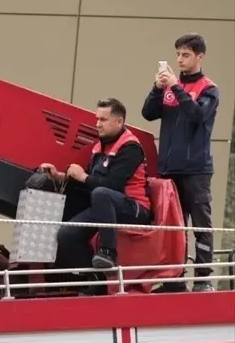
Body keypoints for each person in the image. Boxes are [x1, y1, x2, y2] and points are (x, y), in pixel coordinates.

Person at [141, 33, 220, 292]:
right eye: (177, 55)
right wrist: (157, 87)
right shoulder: (168, 88)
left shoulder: (208, 88)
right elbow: (148, 113)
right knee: (175, 229)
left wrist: (175, 87)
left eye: (185, 55)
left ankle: (203, 279)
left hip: (196, 170)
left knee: (201, 226)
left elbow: (198, 115)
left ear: (199, 56)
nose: (180, 59)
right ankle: (174, 280)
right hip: (169, 169)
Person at [40, 98, 151, 272]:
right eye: (97, 119)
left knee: (100, 193)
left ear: (119, 121)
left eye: (103, 120)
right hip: (105, 205)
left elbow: (113, 185)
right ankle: (95, 280)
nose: (97, 124)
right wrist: (59, 176)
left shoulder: (131, 148)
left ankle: (108, 253)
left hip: (134, 208)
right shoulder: (100, 147)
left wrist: (83, 176)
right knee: (65, 235)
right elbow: (89, 180)